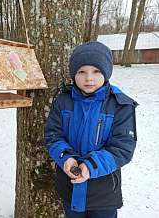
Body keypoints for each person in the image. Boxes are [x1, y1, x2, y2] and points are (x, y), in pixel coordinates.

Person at [44, 41, 138, 218]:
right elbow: (52, 135)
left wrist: (90, 165)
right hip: (69, 186)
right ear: (74, 74)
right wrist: (66, 157)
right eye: (82, 72)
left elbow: (123, 147)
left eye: (96, 71)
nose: (89, 78)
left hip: (104, 191)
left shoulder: (121, 105)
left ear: (106, 73)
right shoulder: (62, 101)